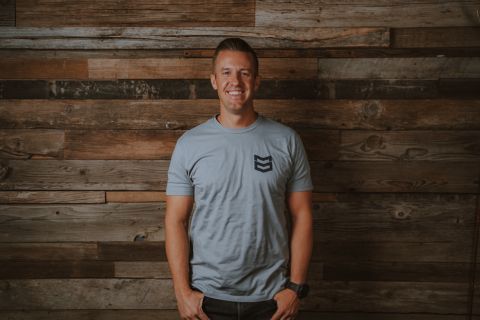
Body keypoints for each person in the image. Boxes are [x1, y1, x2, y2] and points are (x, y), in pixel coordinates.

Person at [165, 37, 313, 320]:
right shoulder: (189, 144)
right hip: (207, 299)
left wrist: (295, 288)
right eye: (226, 72)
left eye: (244, 73)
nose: (236, 81)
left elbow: (303, 215)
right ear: (213, 80)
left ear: (256, 81)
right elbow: (175, 220)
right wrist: (182, 293)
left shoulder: (286, 141)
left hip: (271, 299)